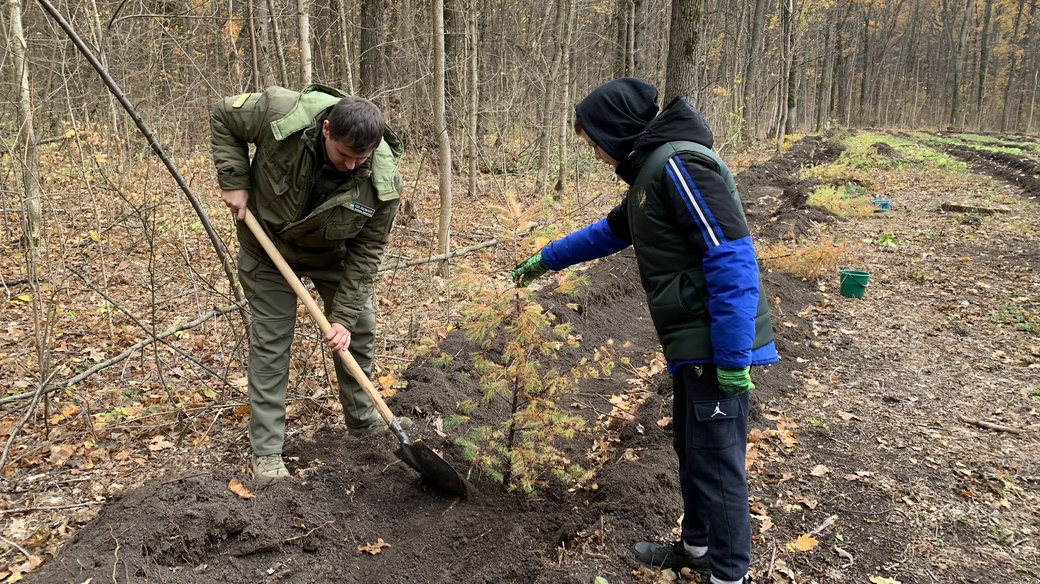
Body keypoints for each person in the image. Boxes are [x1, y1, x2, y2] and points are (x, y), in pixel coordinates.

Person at [512, 78, 778, 584]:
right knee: (693, 448)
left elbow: (731, 255)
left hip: (714, 344)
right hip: (693, 342)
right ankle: (697, 548)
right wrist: (548, 258)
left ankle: (728, 574)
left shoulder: (679, 165)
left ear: (613, 132)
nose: (593, 153)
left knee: (718, 464)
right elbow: (612, 232)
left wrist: (733, 354)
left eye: (592, 142)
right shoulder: (652, 174)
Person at [211, 84, 407, 484]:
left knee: (360, 328)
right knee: (272, 341)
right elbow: (222, 115)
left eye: (362, 159)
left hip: (331, 251)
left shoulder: (383, 181)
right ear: (327, 130)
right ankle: (266, 454)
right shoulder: (281, 113)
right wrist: (233, 179)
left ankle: (363, 423)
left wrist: (344, 318)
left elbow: (368, 251)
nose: (352, 166)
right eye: (345, 156)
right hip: (267, 244)